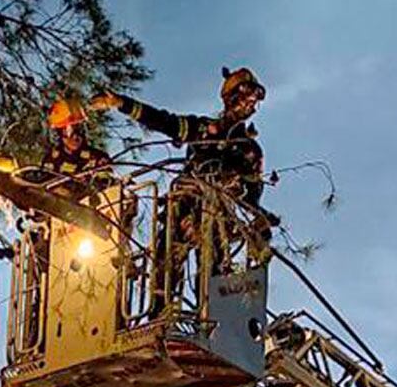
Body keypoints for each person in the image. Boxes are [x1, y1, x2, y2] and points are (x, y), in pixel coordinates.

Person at [90, 67, 273, 310]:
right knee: (165, 265)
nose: (250, 107)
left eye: (253, 103)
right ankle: (159, 316)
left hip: (218, 216)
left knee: (213, 273)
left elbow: (251, 197)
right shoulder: (202, 129)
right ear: (231, 100)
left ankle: (210, 323)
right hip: (184, 206)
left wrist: (261, 221)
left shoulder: (249, 150)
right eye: (246, 101)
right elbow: (163, 121)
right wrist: (120, 103)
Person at [39, 98, 112, 200]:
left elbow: (108, 185)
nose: (75, 137)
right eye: (69, 132)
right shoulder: (52, 159)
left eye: (79, 130)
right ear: (59, 134)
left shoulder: (98, 157)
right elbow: (43, 189)